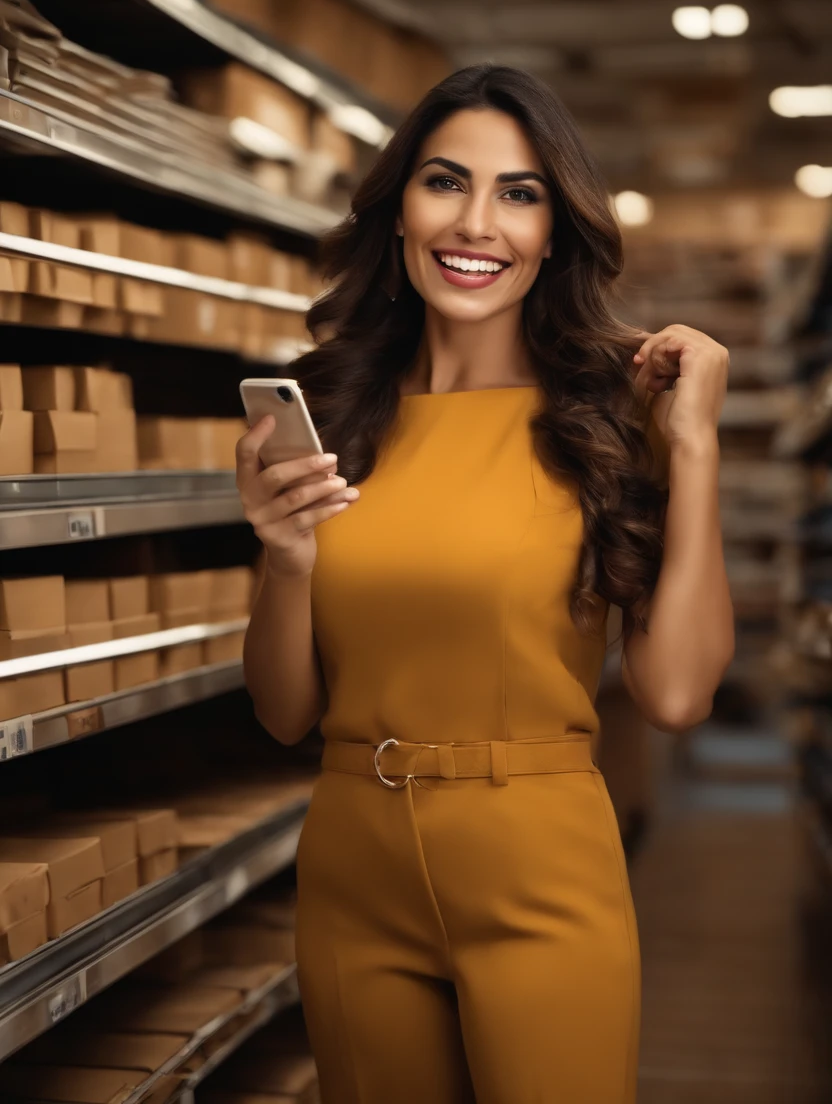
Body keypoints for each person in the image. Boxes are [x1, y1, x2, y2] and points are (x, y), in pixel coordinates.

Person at [238, 65, 734, 1104]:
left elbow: (678, 693)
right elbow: (287, 713)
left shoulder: (606, 422)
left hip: (541, 873)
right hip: (351, 870)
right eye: (445, 183)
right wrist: (284, 563)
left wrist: (690, 450)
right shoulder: (333, 416)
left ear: (555, 230)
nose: (477, 223)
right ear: (399, 212)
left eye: (519, 193)